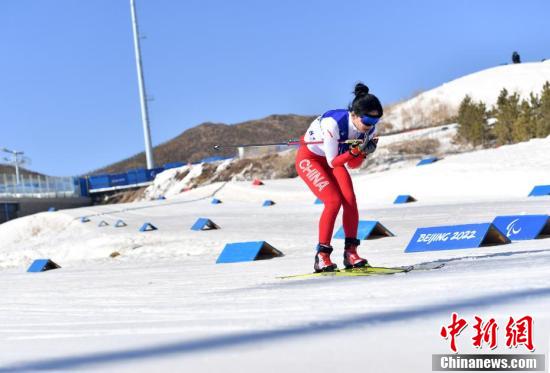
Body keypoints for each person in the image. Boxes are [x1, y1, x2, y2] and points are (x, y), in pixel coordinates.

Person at [295, 83, 383, 272]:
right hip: (311, 159)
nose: (371, 126)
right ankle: (322, 255)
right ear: (354, 114)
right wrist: (357, 150)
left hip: (337, 160)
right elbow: (334, 161)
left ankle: (351, 253)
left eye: (376, 121)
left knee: (350, 201)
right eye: (367, 120)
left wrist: (363, 153)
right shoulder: (332, 124)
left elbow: (353, 164)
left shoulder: (369, 129)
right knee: (333, 201)